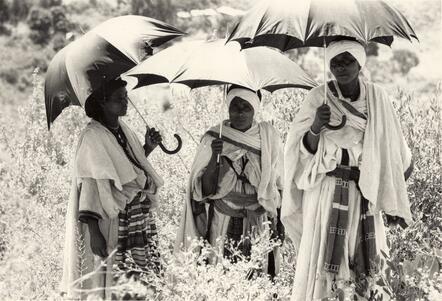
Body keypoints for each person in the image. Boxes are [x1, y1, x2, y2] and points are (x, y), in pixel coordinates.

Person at [281, 40, 413, 300]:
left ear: (359, 63)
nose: (341, 68)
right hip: (326, 192)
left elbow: (395, 150)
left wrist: (387, 187)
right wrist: (317, 126)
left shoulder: (377, 98)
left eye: (347, 61)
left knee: (367, 263)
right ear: (328, 66)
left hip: (365, 189)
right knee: (325, 260)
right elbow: (300, 153)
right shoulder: (317, 97)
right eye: (335, 63)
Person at [60, 78, 164, 300]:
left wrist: (147, 147)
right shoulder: (93, 137)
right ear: (103, 102)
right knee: (111, 279)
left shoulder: (123, 130)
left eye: (126, 97)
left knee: (137, 281)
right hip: (109, 219)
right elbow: (89, 183)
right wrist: (94, 233)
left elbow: (128, 171)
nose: (125, 102)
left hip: (134, 218)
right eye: (119, 99)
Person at [175, 85, 284, 277]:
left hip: (259, 219)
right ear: (227, 107)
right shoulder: (214, 138)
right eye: (235, 106)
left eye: (246, 106)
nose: (240, 112)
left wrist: (280, 223)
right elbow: (204, 191)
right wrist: (214, 157)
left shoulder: (268, 137)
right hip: (223, 219)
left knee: (258, 278)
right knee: (222, 275)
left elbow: (279, 184)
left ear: (255, 109)